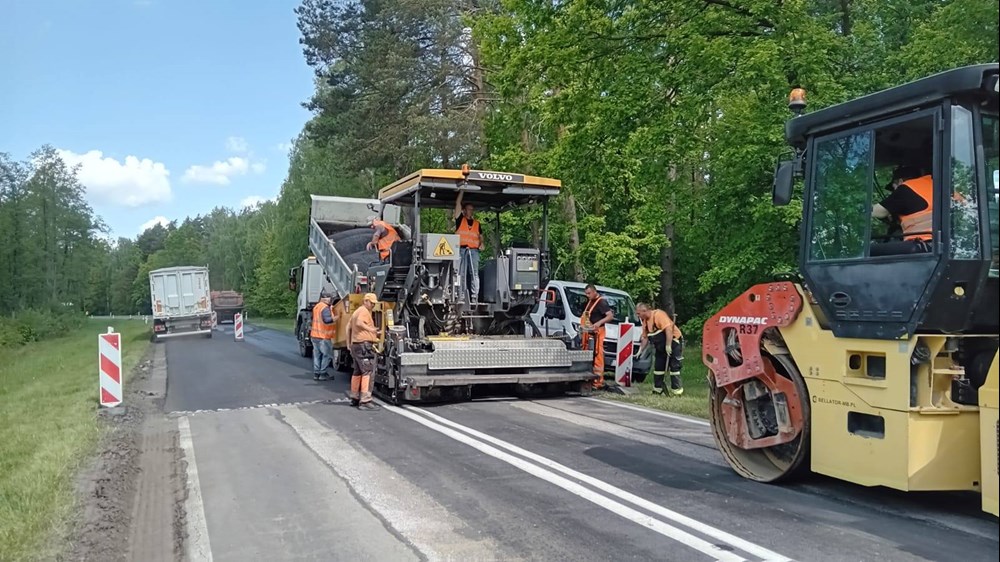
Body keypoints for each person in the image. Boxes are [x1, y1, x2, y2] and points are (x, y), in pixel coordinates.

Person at [871, 166, 933, 254]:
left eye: (893, 187)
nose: (894, 192)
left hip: (923, 245)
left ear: (900, 182)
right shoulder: (942, 186)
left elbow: (877, 212)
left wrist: (863, 209)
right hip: (949, 248)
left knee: (866, 251)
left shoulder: (906, 188)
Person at [636, 303, 685, 396]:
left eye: (638, 313)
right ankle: (658, 389)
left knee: (674, 368)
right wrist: (640, 350)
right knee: (658, 368)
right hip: (660, 346)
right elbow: (645, 337)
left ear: (644, 311)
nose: (637, 316)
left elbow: (669, 330)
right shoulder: (645, 322)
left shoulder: (658, 315)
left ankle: (677, 391)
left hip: (673, 342)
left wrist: (668, 345)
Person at [347, 292, 379, 410]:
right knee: (367, 372)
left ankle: (354, 397)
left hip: (356, 345)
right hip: (364, 346)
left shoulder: (356, 312)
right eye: (371, 303)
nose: (373, 306)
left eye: (374, 304)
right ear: (365, 301)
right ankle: (365, 401)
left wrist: (349, 344)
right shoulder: (363, 311)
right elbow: (360, 323)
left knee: (357, 372)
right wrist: (372, 329)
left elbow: (348, 327)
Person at [580, 284, 614, 390]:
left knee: (597, 355)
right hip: (588, 332)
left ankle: (598, 381)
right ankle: (588, 378)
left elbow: (610, 316)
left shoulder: (601, 302)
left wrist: (599, 323)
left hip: (597, 332)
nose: (587, 295)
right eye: (586, 294)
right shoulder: (590, 302)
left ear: (595, 291)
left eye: (589, 293)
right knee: (587, 355)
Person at [454, 190, 482, 304]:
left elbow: (480, 236)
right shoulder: (460, 219)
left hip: (474, 251)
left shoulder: (477, 223)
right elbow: (457, 204)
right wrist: (462, 190)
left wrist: (482, 243)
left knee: (474, 273)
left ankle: (474, 296)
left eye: (472, 209)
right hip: (461, 250)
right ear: (464, 210)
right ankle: (460, 296)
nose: (471, 211)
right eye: (469, 209)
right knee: (460, 273)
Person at [310, 291, 338, 381]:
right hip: (323, 336)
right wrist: (335, 318)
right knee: (327, 355)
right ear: (324, 298)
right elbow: (327, 320)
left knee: (317, 355)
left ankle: (316, 373)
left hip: (315, 335)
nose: (330, 299)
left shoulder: (317, 307)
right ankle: (323, 373)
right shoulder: (325, 308)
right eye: (329, 297)